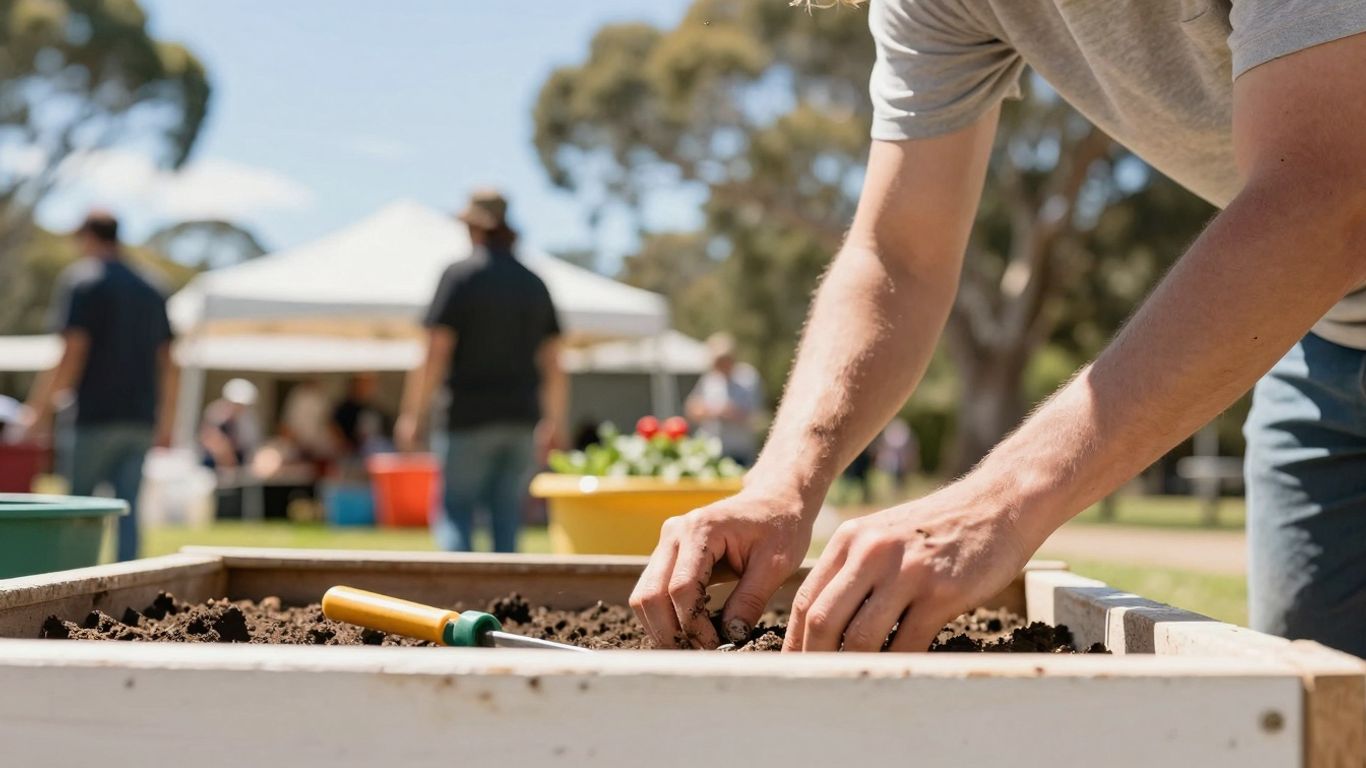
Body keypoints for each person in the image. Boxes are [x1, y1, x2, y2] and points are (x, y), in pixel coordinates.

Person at [631, 2, 1366, 657]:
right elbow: (899, 258)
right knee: (1328, 715)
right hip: (1324, 345)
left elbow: (1330, 192)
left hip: (1321, 281)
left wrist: (1001, 501)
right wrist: (780, 485)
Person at [397, 188, 566, 553]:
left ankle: (460, 604)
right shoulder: (534, 283)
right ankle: (506, 604)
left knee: (455, 512)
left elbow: (434, 353)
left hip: (467, 418)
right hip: (521, 419)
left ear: (473, 227)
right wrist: (554, 422)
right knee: (506, 516)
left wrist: (413, 414)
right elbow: (554, 364)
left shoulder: (460, 277)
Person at [21, 211, 176, 562]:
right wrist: (167, 421)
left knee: (77, 511)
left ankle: (73, 590)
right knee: (128, 510)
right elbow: (169, 362)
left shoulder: (83, 281)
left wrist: (39, 411)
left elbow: (72, 353)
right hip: (139, 418)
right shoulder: (153, 287)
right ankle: (129, 596)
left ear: (88, 237)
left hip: (93, 417)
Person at [684, 332, 764, 465]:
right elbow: (691, 408)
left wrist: (730, 412)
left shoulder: (748, 377)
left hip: (739, 451)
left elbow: (755, 415)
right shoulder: (710, 379)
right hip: (710, 449)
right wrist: (707, 411)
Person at [199, 378, 261, 474]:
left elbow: (250, 444)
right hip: (212, 461)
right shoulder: (215, 413)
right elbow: (210, 439)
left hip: (239, 461)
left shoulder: (249, 419)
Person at [331, 373, 391, 459]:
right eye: (363, 385)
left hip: (373, 453)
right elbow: (334, 427)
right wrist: (344, 444)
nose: (366, 388)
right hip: (351, 454)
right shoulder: (344, 408)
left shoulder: (374, 408)